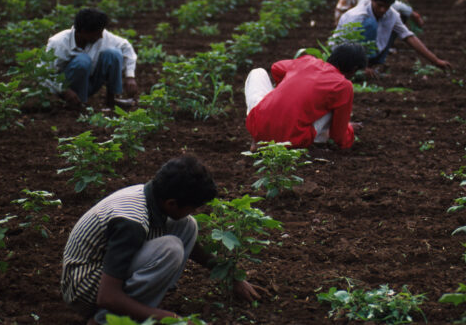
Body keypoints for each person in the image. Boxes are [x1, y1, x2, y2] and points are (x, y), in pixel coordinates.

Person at [61, 156, 264, 324]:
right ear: (171, 203)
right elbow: (107, 296)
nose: (194, 211)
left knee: (187, 225)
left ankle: (142, 303)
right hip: (84, 290)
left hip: (103, 274)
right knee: (171, 249)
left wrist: (231, 275)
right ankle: (104, 321)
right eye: (193, 206)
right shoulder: (131, 222)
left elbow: (194, 248)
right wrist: (171, 319)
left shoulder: (151, 195)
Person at [245, 43, 367, 150]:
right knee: (332, 110)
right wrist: (349, 129)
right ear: (353, 69)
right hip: (292, 139)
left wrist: (286, 90)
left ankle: (258, 139)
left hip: (258, 125)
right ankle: (317, 141)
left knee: (258, 73)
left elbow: (276, 68)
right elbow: (338, 135)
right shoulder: (343, 86)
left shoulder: (307, 61)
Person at [333, 0, 452, 77]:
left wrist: (436, 61)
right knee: (371, 24)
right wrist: (360, 67)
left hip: (367, 53)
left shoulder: (392, 14)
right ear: (372, 0)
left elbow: (409, 37)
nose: (382, 10)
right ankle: (360, 69)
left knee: (395, 28)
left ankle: (373, 65)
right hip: (344, 56)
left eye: (386, 6)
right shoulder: (357, 16)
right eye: (379, 5)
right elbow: (344, 45)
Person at [46, 8, 138, 109]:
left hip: (90, 83)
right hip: (68, 89)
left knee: (113, 54)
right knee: (82, 60)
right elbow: (45, 74)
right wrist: (64, 91)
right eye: (98, 33)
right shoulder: (58, 43)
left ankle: (111, 101)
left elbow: (125, 47)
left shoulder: (100, 36)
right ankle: (77, 104)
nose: (101, 36)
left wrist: (130, 77)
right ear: (83, 31)